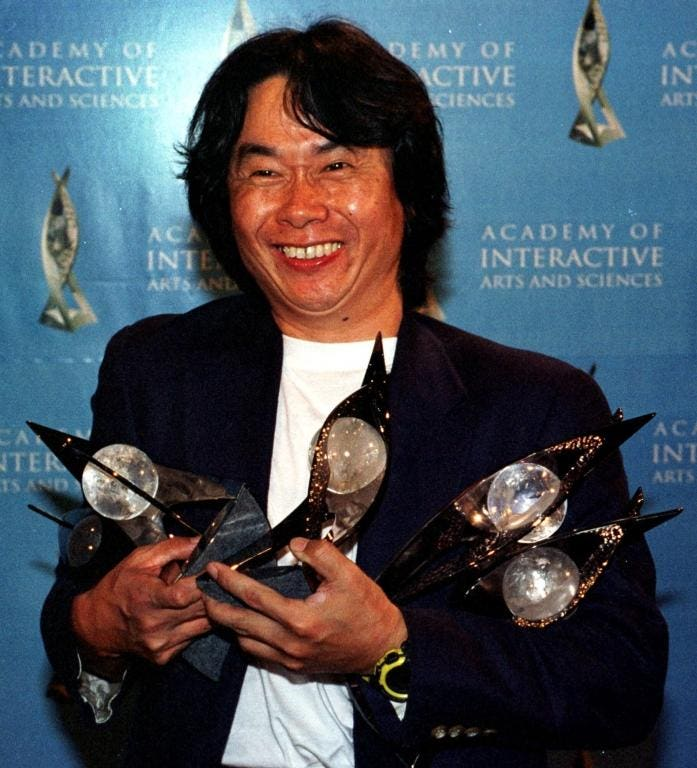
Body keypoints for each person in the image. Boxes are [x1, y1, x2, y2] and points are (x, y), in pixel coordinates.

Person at [41, 19, 668, 768]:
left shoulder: (534, 406)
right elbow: (82, 605)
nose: (300, 206)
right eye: (263, 171)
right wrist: (99, 630)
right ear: (224, 199)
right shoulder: (157, 370)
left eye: (336, 165)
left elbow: (618, 680)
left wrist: (393, 648)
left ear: (407, 188)